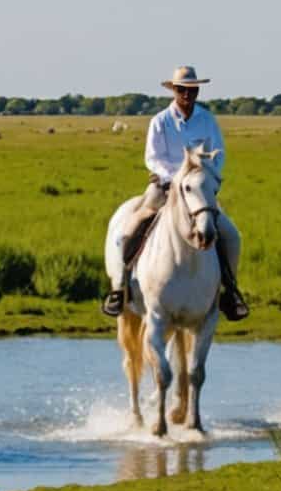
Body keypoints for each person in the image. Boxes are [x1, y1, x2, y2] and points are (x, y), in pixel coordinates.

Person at [100, 66, 248, 321]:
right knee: (128, 230)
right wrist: (176, 179)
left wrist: (208, 176)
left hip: (197, 190)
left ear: (197, 90)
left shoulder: (207, 120)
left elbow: (218, 154)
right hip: (164, 186)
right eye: (182, 90)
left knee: (231, 235)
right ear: (174, 91)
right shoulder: (160, 121)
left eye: (192, 89)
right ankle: (119, 288)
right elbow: (153, 158)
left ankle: (230, 290)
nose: (187, 94)